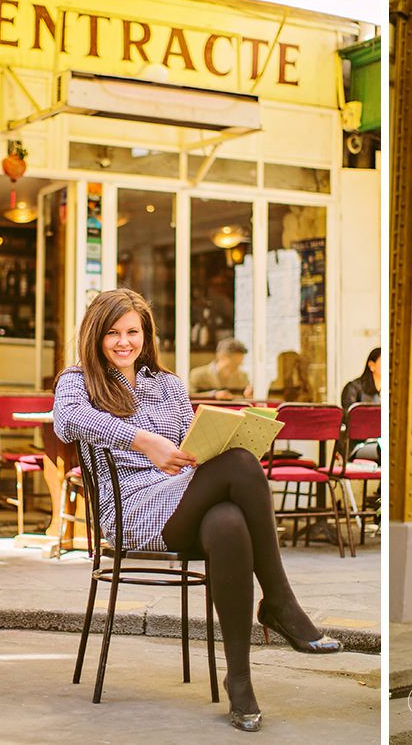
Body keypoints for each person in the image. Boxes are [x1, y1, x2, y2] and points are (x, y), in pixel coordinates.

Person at [53, 289, 341, 734]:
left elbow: (189, 446)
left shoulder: (166, 383)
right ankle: (280, 603)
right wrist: (144, 441)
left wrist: (210, 443)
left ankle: (240, 682)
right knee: (243, 467)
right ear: (95, 336)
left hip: (182, 495)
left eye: (133, 332)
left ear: (146, 335)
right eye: (113, 333)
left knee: (227, 522)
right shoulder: (77, 381)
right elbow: (68, 421)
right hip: (133, 509)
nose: (124, 342)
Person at [189, 337, 254, 398]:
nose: (236, 368)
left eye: (239, 364)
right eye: (234, 363)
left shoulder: (242, 377)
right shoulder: (198, 375)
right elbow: (190, 397)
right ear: (221, 356)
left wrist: (247, 396)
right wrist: (213, 395)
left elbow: (244, 399)